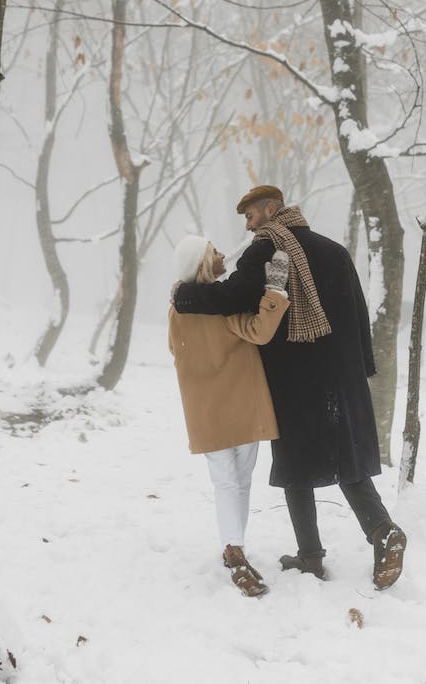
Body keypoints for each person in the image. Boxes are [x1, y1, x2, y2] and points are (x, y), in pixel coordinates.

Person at [172, 186, 407, 590]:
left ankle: (311, 556)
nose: (247, 226)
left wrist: (185, 294)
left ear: (270, 210)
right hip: (342, 373)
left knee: (295, 466)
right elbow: (358, 307)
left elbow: (231, 298)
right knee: (345, 459)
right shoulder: (333, 250)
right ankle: (381, 531)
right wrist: (362, 369)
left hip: (295, 375)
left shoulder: (266, 250)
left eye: (249, 216)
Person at [169, 233, 290, 597]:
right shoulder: (222, 305)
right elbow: (260, 331)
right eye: (214, 251)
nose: (222, 254)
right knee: (238, 480)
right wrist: (275, 290)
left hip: (206, 409)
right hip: (242, 403)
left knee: (228, 481)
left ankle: (234, 547)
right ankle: (234, 551)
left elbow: (175, 349)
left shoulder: (179, 308)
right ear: (204, 263)